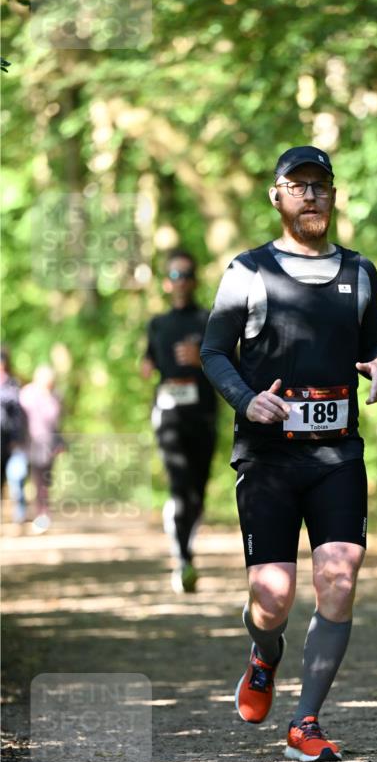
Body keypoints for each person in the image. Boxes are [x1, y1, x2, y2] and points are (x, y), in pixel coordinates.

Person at [201, 145, 377, 762]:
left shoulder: (360, 273)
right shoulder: (248, 271)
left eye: (320, 185)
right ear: (277, 196)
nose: (310, 195)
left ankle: (306, 721)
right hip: (267, 459)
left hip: (337, 455)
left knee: (338, 578)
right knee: (274, 597)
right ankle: (264, 655)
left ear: (333, 195)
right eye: (298, 185)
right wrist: (245, 399)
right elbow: (214, 352)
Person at [142, 248, 218, 593]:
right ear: (165, 282)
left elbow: (230, 365)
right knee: (178, 483)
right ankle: (183, 556)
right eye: (175, 275)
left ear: (195, 280)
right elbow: (149, 359)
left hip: (201, 414)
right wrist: (146, 367)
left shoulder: (208, 319)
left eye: (187, 274)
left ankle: (186, 548)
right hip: (168, 413)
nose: (181, 281)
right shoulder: (157, 323)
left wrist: (201, 360)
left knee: (197, 492)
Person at [19, 364, 63, 533]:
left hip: (49, 445)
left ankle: (43, 515)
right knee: (35, 480)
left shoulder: (55, 396)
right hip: (30, 444)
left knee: (45, 482)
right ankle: (34, 514)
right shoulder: (27, 394)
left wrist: (60, 443)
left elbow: (57, 423)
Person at [0, 346, 29, 526]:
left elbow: (19, 415)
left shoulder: (13, 385)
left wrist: (18, 440)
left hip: (10, 441)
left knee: (16, 478)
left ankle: (19, 516)